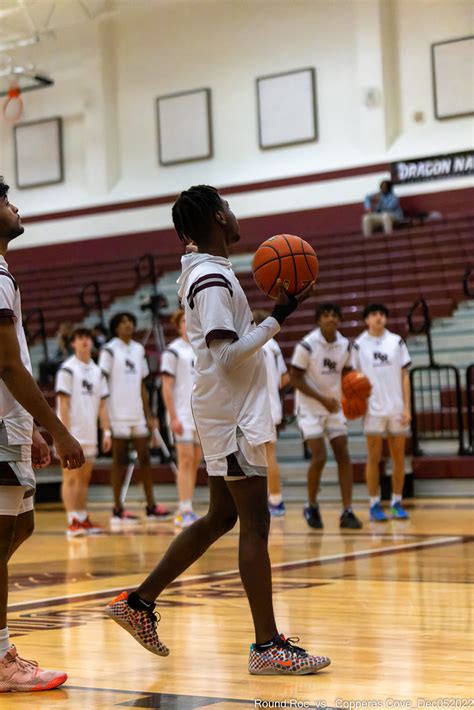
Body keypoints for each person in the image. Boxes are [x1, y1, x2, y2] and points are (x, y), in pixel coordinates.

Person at [106, 185, 330, 675]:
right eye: (227, 206)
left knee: (221, 517)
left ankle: (138, 603)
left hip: (224, 410)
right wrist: (280, 318)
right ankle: (266, 645)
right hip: (230, 414)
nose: (234, 213)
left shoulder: (212, 271)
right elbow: (226, 353)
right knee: (255, 522)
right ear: (215, 217)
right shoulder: (209, 278)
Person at [0, 176, 84, 691]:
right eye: (5, 201)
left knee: (21, 528)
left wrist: (29, 424)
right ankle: (2, 658)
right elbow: (8, 366)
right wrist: (58, 428)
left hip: (10, 422)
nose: (14, 207)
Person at [290, 303, 362, 530]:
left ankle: (347, 511)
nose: (330, 319)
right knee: (319, 456)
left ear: (339, 320)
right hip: (310, 407)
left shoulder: (346, 345)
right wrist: (323, 400)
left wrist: (353, 394)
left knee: (343, 452)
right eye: (325, 315)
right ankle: (311, 505)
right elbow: (295, 379)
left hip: (334, 406)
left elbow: (348, 373)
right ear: (318, 320)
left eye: (334, 315)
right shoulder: (307, 345)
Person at [99, 312, 170, 525]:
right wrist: (105, 420)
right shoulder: (109, 350)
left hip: (137, 413)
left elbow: (141, 384)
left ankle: (151, 505)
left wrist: (149, 415)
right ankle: (118, 508)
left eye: (130, 321)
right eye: (122, 321)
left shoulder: (139, 349)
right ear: (115, 327)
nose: (128, 324)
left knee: (146, 459)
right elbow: (101, 382)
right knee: (119, 461)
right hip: (117, 413)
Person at [352, 303, 411, 522]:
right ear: (367, 319)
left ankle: (397, 502)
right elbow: (353, 379)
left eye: (382, 314)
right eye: (374, 314)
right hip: (372, 409)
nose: (378, 317)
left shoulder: (396, 341)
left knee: (398, 458)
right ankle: (374, 503)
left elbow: (405, 375)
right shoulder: (358, 345)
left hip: (396, 408)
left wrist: (407, 408)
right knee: (374, 458)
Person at [56, 327, 112, 537]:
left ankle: (82, 517)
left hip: (90, 432)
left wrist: (106, 431)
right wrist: (65, 435)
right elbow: (63, 404)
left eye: (87, 337)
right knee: (70, 477)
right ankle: (72, 521)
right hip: (72, 433)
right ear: (73, 343)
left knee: (84, 477)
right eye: (80, 338)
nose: (84, 341)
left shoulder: (98, 371)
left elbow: (103, 405)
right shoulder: (68, 369)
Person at [161, 309, 201, 528]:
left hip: (200, 415)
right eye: (184, 321)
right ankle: (183, 508)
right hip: (181, 415)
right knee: (185, 459)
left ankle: (188, 506)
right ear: (179, 326)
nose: (188, 324)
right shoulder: (173, 351)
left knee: (195, 461)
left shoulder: (201, 347)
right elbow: (166, 387)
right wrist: (173, 417)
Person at [253, 309, 289, 517]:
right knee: (269, 455)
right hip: (272, 406)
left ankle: (269, 499)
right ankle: (275, 499)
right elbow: (285, 378)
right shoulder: (274, 346)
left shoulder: (252, 345)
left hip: (256, 408)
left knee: (256, 458)